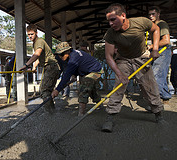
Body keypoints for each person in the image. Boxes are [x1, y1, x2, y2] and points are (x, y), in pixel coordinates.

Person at [102, 3, 165, 132]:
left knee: (150, 87)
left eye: (113, 19)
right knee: (119, 86)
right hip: (123, 59)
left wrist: (155, 48)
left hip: (141, 58)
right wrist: (120, 74)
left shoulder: (141, 22)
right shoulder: (110, 34)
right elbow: (109, 57)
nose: (110, 23)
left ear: (123, 16)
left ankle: (158, 114)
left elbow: (156, 30)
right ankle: (110, 117)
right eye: (108, 21)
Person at [51, 42, 102, 116]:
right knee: (91, 89)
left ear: (68, 51)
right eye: (59, 55)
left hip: (95, 71)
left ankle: (80, 115)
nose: (60, 57)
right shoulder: (71, 55)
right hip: (85, 72)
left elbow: (66, 75)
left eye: (61, 54)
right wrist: (75, 75)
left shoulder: (74, 57)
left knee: (83, 89)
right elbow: (79, 66)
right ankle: (100, 104)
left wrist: (57, 90)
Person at [18, 24, 60, 114]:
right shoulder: (36, 42)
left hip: (51, 67)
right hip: (51, 67)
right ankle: (52, 111)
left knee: (43, 90)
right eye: (28, 34)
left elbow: (37, 54)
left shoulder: (39, 41)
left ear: (36, 33)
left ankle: (49, 113)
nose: (30, 36)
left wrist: (26, 65)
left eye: (32, 34)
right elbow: (39, 57)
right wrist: (34, 67)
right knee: (47, 90)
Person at [148, 6, 172, 104]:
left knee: (155, 76)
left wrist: (151, 46)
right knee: (160, 75)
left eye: (153, 14)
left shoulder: (161, 24)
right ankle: (165, 96)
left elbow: (166, 40)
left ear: (158, 14)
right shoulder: (153, 26)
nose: (151, 16)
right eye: (149, 14)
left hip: (163, 50)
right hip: (158, 50)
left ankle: (156, 102)